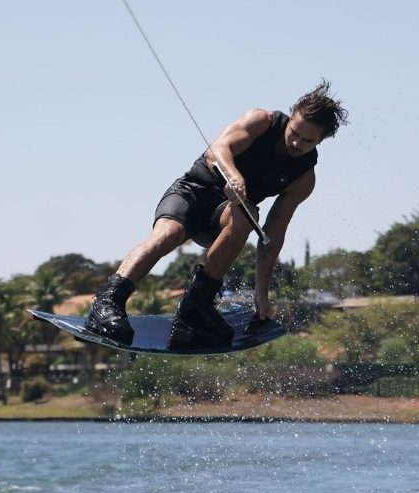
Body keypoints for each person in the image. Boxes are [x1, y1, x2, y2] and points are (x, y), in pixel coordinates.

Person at [85, 80, 348, 347]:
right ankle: (108, 302)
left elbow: (273, 234)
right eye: (294, 132)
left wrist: (261, 293)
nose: (296, 142)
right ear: (291, 118)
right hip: (192, 193)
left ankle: (195, 306)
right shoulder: (261, 121)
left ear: (321, 141)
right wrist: (234, 177)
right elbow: (218, 150)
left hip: (224, 216)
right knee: (169, 234)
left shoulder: (303, 179)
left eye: (307, 141)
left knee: (248, 216)